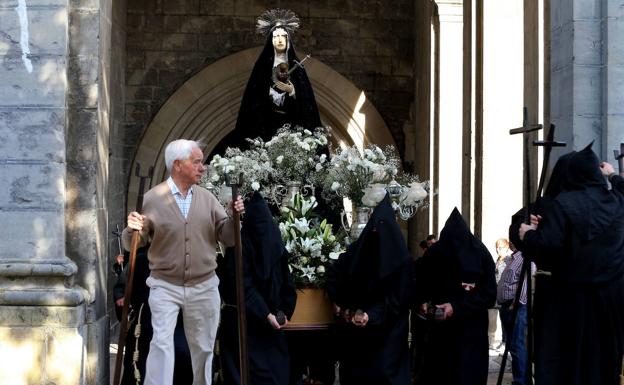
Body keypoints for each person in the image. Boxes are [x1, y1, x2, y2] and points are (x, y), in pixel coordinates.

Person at [123, 139, 245, 385]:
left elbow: (228, 237)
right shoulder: (153, 198)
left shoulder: (208, 198)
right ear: (178, 165)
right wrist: (131, 229)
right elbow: (134, 243)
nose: (203, 167)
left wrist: (235, 217)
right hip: (164, 285)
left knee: (203, 348)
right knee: (161, 345)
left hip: (204, 285)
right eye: (197, 162)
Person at [518, 143, 624, 385]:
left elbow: (548, 248)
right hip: (607, 303)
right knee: (600, 365)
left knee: (566, 365)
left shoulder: (560, 205)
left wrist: (528, 234)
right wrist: (614, 176)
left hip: (568, 301)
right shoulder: (616, 203)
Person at [326, 194, 412, 385]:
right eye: (373, 229)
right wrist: (342, 305)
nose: (376, 233)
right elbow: (334, 274)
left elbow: (398, 299)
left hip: (387, 337)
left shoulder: (400, 262)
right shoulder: (359, 252)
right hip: (360, 339)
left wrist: (370, 315)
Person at [211, 9, 321, 156]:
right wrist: (267, 94)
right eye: (276, 36)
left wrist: (292, 92)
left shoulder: (297, 68)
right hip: (264, 127)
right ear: (271, 40)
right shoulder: (262, 68)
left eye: (283, 36)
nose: (280, 39)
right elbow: (251, 99)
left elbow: (307, 102)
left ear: (288, 41)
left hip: (292, 128)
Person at [217, 192, 297, 385]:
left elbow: (284, 286)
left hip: (263, 327)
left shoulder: (246, 247)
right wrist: (275, 313)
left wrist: (282, 313)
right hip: (245, 327)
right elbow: (244, 286)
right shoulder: (267, 247)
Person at [415, 208, 496, 385]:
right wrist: (423, 303)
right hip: (441, 335)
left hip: (469, 335)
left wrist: (456, 307)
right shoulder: (437, 253)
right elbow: (420, 287)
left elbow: (489, 294)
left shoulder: (479, 254)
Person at [113, 245, 193, 385]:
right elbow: (123, 287)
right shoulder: (141, 258)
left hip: (180, 327)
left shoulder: (191, 258)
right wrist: (122, 299)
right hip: (146, 325)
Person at [496, 243, 535, 385]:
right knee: (512, 345)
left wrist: (515, 304)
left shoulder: (525, 257)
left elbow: (526, 282)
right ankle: (519, 379)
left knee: (517, 345)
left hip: (515, 308)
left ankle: (521, 381)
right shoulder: (512, 258)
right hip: (507, 306)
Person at [489, 238, 509, 352]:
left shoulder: (508, 260)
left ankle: (506, 342)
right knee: (501, 318)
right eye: (496, 247)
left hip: (504, 294)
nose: (498, 249)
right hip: (497, 294)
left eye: (500, 247)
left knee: (505, 319)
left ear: (506, 248)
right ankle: (503, 341)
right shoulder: (498, 260)